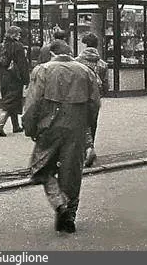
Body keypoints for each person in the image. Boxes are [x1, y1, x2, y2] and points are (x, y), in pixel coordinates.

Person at [22, 40, 100, 234]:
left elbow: (32, 104)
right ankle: (70, 215)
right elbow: (94, 105)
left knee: (40, 168)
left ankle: (60, 204)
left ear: (51, 54)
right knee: (71, 173)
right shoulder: (86, 72)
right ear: (70, 53)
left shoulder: (43, 70)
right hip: (76, 128)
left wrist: (30, 128)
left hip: (49, 128)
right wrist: (87, 130)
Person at [76, 33, 108, 168]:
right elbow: (106, 85)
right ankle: (91, 147)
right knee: (92, 123)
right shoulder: (102, 64)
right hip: (95, 98)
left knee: (80, 123)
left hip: (80, 97)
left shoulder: (77, 62)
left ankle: (85, 151)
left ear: (84, 45)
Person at [0, 26, 30, 137]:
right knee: (10, 102)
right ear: (14, 35)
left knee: (11, 101)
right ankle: (0, 125)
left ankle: (16, 126)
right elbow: (22, 64)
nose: (20, 36)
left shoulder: (1, 46)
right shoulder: (18, 46)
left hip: (4, 78)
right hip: (15, 78)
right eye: (18, 34)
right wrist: (26, 79)